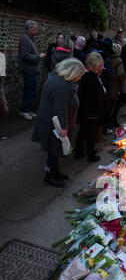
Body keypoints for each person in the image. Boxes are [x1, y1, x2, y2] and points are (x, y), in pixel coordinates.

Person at [31, 58, 85, 187]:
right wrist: (64, 127)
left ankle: (55, 171)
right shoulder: (62, 85)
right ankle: (50, 176)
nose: (79, 78)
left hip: (49, 119)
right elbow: (60, 108)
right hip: (54, 123)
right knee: (54, 149)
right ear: (73, 73)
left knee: (55, 149)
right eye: (79, 75)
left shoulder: (57, 78)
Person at [74, 52, 110, 162]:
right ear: (94, 66)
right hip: (92, 113)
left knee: (83, 132)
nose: (102, 69)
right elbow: (94, 97)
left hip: (87, 112)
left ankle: (78, 151)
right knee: (91, 135)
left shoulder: (89, 76)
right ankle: (91, 155)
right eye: (100, 66)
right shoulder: (91, 78)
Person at [18, 20, 46, 121]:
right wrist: (39, 56)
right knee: (31, 90)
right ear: (29, 29)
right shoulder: (25, 39)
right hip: (28, 69)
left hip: (31, 69)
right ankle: (25, 111)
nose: (36, 30)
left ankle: (25, 109)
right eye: (34, 28)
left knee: (29, 90)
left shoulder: (29, 38)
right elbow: (25, 55)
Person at [107, 43, 126, 127]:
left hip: (108, 83)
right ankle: (111, 122)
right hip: (115, 85)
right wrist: (123, 80)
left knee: (108, 104)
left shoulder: (108, 58)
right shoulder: (118, 61)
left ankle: (107, 123)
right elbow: (121, 74)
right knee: (114, 104)